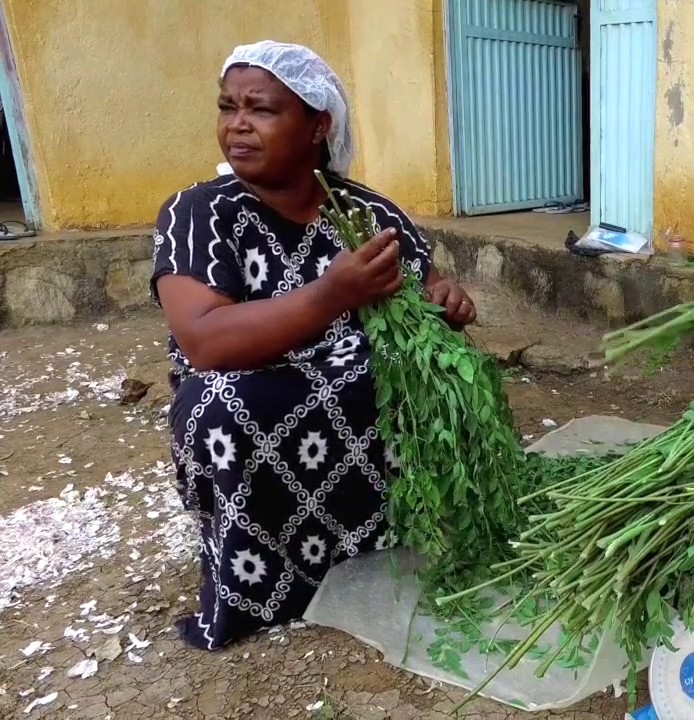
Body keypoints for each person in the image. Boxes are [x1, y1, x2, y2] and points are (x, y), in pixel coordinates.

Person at [151, 40, 477, 650]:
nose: (238, 125)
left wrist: (447, 305)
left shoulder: (366, 212)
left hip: (359, 386)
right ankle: (266, 586)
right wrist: (330, 295)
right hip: (253, 388)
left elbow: (428, 294)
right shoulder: (200, 212)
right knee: (222, 401)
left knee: (442, 380)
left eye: (262, 110)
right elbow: (204, 341)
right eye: (228, 108)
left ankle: (402, 547)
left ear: (317, 127)